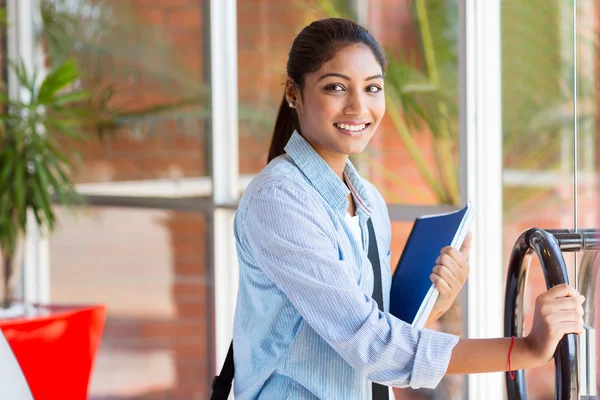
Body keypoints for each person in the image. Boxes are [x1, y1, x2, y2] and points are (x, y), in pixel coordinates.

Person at [232, 17, 585, 400]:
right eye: (335, 87)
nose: (358, 106)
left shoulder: (366, 200)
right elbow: (374, 347)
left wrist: (436, 304)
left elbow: (374, 332)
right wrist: (526, 349)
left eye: (372, 88)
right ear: (294, 93)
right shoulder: (280, 200)